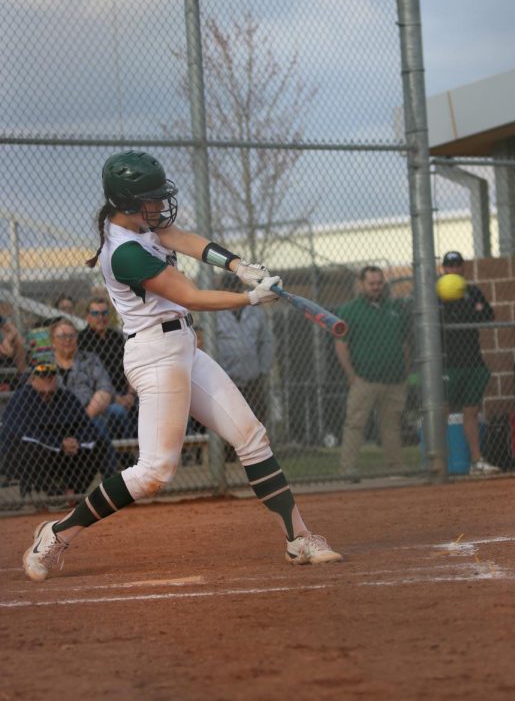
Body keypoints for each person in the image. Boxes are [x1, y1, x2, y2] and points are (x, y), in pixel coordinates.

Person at [23, 149, 341, 582]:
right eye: (151, 198)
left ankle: (298, 537)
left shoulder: (144, 225)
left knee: (250, 435)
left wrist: (237, 265)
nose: (160, 205)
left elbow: (185, 239)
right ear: (129, 202)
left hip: (183, 346)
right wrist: (248, 297)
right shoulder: (125, 252)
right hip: (154, 356)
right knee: (156, 471)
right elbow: (188, 295)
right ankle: (56, 533)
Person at [334, 266, 412, 480]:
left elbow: (405, 343)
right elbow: (341, 345)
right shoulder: (350, 310)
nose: (376, 287)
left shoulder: (394, 308)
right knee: (355, 424)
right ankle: (348, 470)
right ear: (362, 284)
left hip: (394, 379)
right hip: (364, 379)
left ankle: (395, 468)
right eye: (371, 283)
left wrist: (404, 370)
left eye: (379, 283)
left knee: (392, 425)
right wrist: (351, 375)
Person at [1, 362, 108, 500]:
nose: (48, 379)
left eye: (51, 376)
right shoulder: (21, 399)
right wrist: (59, 444)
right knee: (31, 449)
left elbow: (86, 426)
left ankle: (72, 493)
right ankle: (44, 494)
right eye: (42, 376)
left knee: (99, 445)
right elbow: (23, 434)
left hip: (62, 452)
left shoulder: (66, 397)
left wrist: (77, 441)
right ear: (32, 379)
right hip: (22, 457)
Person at [438, 250, 499, 475]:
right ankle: (439, 462)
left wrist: (467, 310)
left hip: (473, 359)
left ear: (463, 267)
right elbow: (439, 319)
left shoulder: (472, 291)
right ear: (443, 268)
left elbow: (488, 315)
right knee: (442, 410)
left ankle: (476, 462)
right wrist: (469, 312)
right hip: (448, 362)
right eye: (449, 266)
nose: (453, 269)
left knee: (471, 411)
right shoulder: (437, 293)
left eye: (457, 265)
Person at [49, 317, 119, 475]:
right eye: (62, 336)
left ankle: (110, 482)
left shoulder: (90, 359)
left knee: (99, 428)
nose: (67, 340)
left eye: (71, 336)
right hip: (54, 419)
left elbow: (105, 389)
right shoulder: (45, 364)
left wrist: (85, 417)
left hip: (88, 415)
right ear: (52, 341)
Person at [216, 275, 274, 461]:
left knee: (257, 420)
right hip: (226, 380)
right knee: (229, 424)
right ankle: (228, 462)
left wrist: (263, 369)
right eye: (229, 290)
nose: (233, 294)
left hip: (252, 378)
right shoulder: (215, 313)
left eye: (235, 289)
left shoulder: (254, 312)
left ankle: (259, 459)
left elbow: (267, 341)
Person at [78, 296, 137, 438]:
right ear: (87, 317)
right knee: (118, 412)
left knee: (150, 406)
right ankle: (126, 455)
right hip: (100, 397)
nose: (101, 318)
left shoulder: (116, 337)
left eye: (104, 313)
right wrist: (115, 399)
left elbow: (128, 366)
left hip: (126, 394)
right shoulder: (82, 340)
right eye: (95, 314)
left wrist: (130, 394)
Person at [0, 313, 27, 384]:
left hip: (4, 347)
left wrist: (6, 341)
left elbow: (14, 330)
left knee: (18, 340)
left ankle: (23, 376)